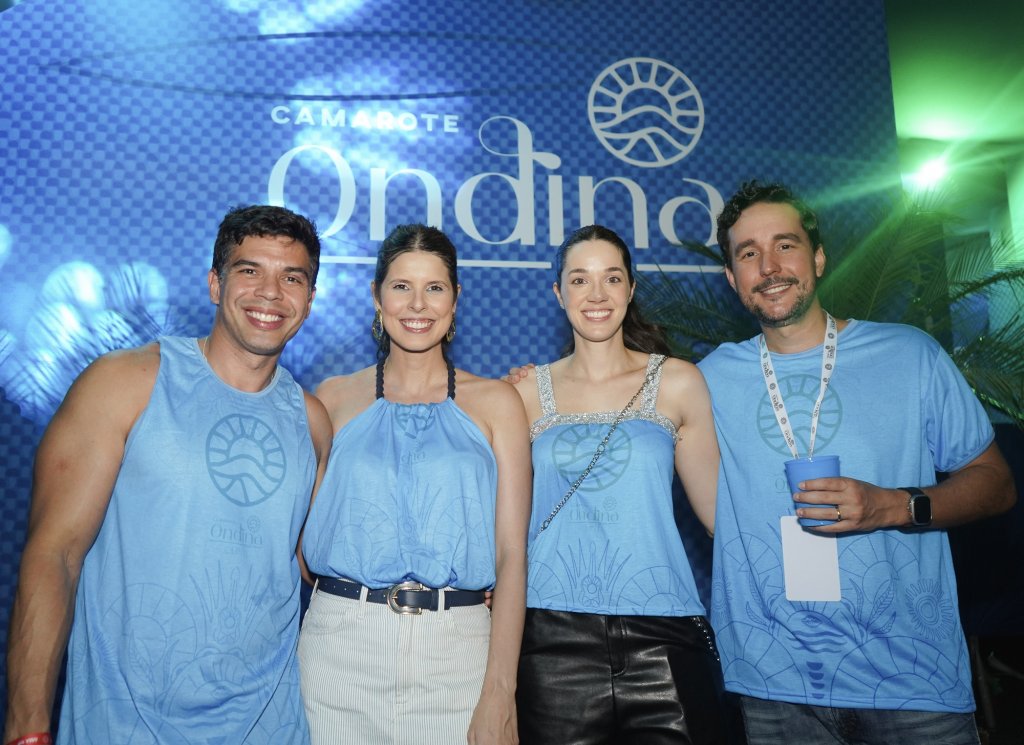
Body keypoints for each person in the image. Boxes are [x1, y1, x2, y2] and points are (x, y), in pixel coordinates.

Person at [698, 181, 1017, 744]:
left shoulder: (910, 354)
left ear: (818, 258)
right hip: (777, 686)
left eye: (785, 245)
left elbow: (995, 484)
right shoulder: (706, 380)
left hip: (912, 682)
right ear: (731, 277)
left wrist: (893, 506)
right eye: (748, 253)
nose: (769, 267)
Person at [3, 205, 332, 745]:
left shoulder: (312, 421)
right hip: (123, 726)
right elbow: (53, 556)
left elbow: (319, 572)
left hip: (270, 727)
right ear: (214, 284)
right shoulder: (124, 383)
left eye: (291, 278)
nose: (271, 292)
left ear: (310, 299)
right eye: (250, 270)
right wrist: (26, 728)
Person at [297, 224, 531, 745]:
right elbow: (300, 538)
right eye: (401, 286)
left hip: (459, 654)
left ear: (456, 298)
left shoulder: (498, 403)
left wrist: (501, 691)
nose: (417, 304)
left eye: (435, 287)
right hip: (338, 651)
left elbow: (513, 556)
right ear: (376, 296)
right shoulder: (331, 399)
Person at [511, 225, 732, 744]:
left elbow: (722, 517)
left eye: (611, 278)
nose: (596, 294)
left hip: (665, 634)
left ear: (631, 289)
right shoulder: (523, 392)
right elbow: (503, 522)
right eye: (579, 279)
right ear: (558, 293)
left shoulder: (678, 380)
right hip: (551, 637)